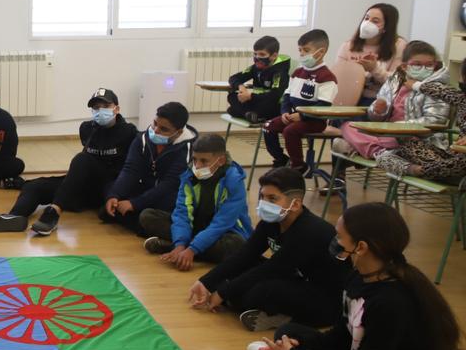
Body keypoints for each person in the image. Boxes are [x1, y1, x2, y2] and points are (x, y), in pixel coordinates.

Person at [249, 203, 460, 350]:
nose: (335, 241)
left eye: (339, 236)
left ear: (360, 247)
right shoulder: (359, 277)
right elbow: (341, 336)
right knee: (287, 332)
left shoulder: (392, 302)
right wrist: (296, 349)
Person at [189, 167, 346, 332]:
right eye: (262, 197)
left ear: (296, 204)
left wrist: (222, 292)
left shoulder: (309, 231)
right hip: (294, 277)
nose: (264, 203)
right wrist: (205, 282)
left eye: (272, 198)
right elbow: (246, 255)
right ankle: (265, 310)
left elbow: (271, 269)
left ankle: (286, 318)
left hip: (323, 299)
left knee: (257, 292)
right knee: (240, 271)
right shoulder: (271, 222)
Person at [0, 88, 136, 235]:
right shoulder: (87, 128)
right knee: (33, 186)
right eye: (96, 107)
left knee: (82, 159)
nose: (100, 111)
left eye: (105, 106)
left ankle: (53, 213)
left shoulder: (129, 132)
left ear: (116, 109)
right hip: (81, 185)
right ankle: (12, 218)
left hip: (110, 188)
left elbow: (132, 169)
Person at [140, 134, 252, 270]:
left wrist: (192, 249)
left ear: (221, 160)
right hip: (197, 227)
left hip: (225, 232)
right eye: (194, 159)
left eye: (204, 161)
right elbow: (182, 214)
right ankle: (182, 248)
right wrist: (180, 244)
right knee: (148, 216)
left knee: (236, 246)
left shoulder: (234, 181)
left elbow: (221, 224)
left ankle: (175, 248)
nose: (197, 166)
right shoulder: (188, 176)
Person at [334, 41, 451, 161]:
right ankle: (380, 152)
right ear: (405, 66)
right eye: (417, 64)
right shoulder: (395, 81)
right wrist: (378, 110)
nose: (423, 68)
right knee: (348, 126)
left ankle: (366, 150)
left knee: (385, 139)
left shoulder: (436, 88)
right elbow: (376, 117)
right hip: (388, 134)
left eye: (429, 65)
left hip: (416, 138)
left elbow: (435, 120)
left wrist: (398, 127)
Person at [100, 101, 196, 235]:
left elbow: (169, 185)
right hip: (147, 189)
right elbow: (130, 169)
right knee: (110, 188)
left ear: (179, 132)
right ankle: (140, 223)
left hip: (171, 195)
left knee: (154, 209)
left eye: (164, 129)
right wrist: (114, 195)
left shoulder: (188, 149)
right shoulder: (143, 138)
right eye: (155, 123)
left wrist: (134, 203)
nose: (156, 130)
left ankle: (144, 224)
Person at [375, 57, 466, 181]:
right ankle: (436, 171)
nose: (460, 81)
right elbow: (442, 92)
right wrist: (416, 85)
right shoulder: (462, 99)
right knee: (409, 145)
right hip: (454, 158)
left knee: (460, 165)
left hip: (461, 165)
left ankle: (416, 170)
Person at [262, 29, 337, 171]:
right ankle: (281, 159)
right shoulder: (297, 72)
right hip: (294, 116)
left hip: (314, 121)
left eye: (306, 50)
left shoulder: (327, 77)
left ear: (320, 52)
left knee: (290, 131)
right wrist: (284, 111)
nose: (302, 54)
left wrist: (302, 116)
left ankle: (299, 166)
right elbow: (287, 96)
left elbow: (323, 105)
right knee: (268, 126)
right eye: (300, 50)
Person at [334, 3, 407, 104]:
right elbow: (337, 77)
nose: (368, 23)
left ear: (386, 27)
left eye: (375, 21)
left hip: (380, 101)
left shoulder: (398, 45)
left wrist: (374, 69)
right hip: (348, 99)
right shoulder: (347, 46)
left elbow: (397, 81)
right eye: (366, 18)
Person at [227, 35, 290, 123]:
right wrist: (241, 87)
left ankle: (247, 113)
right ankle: (250, 114)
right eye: (255, 54)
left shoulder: (279, 72)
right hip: (256, 101)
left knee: (232, 110)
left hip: (273, 105)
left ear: (274, 56)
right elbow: (234, 78)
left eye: (262, 54)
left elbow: (275, 96)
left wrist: (250, 96)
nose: (257, 57)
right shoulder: (256, 67)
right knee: (232, 96)